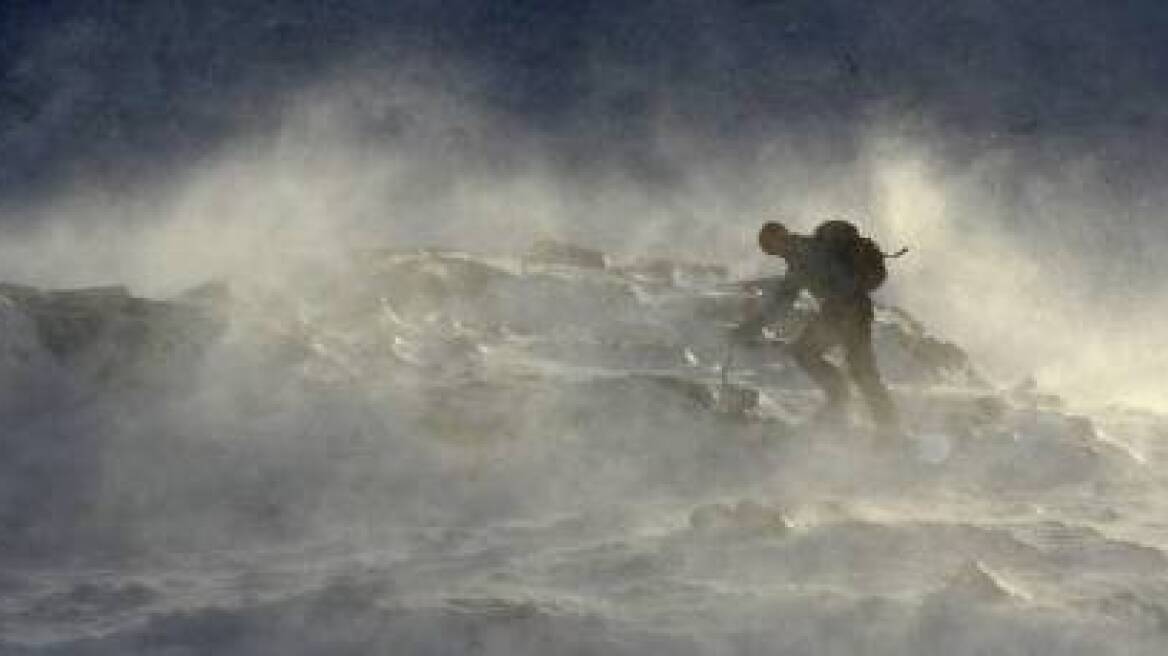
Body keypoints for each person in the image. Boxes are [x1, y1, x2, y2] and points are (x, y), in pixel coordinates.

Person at [732, 220, 900, 434]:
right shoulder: (802, 254)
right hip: (843, 311)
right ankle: (852, 405)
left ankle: (884, 425)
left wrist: (749, 329)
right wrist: (751, 328)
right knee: (819, 356)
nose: (775, 253)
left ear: (779, 237)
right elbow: (785, 299)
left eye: (772, 247)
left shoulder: (804, 254)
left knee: (855, 367)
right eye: (771, 251)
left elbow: (784, 300)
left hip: (848, 311)